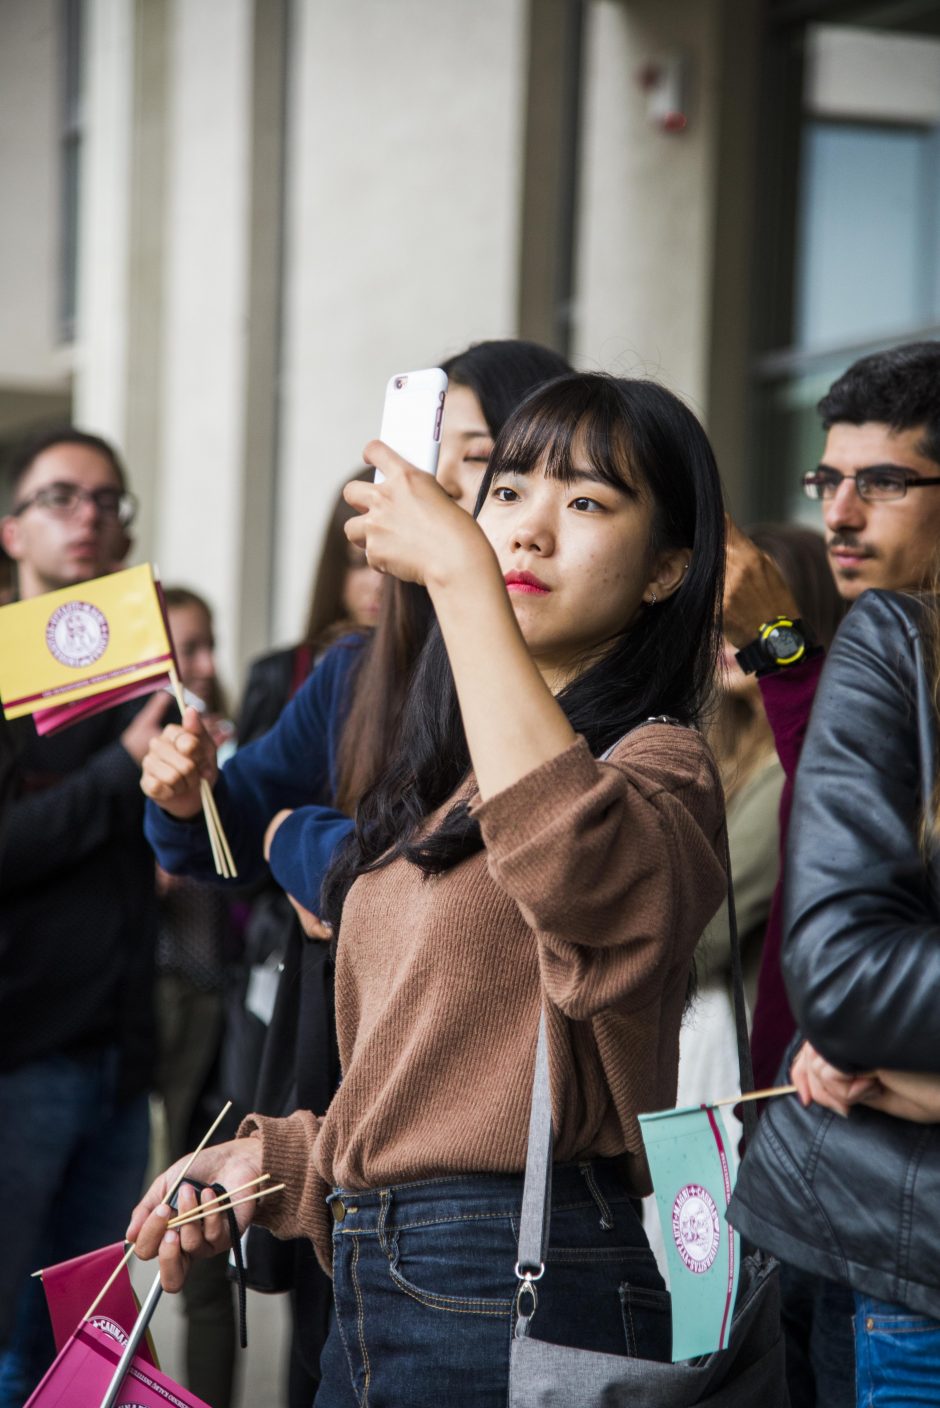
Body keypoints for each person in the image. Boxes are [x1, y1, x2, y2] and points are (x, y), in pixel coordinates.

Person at [131, 371, 729, 1407]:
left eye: (586, 502)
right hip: (377, 1274)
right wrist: (274, 1160)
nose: (530, 531)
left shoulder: (658, 764)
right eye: (507, 493)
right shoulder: (450, 781)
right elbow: (433, 1082)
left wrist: (458, 575)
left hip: (522, 1276)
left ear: (666, 570)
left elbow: (578, 872)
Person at [722, 339, 940, 1406]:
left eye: (883, 481)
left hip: (888, 1219)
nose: (840, 513)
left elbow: (844, 966)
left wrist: (775, 639)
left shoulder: (878, 644)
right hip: (842, 1165)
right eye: (827, 481)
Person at [0, 427, 169, 1407]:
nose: (90, 517)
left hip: (121, 1053)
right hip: (22, 1050)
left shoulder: (141, 671)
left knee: (81, 1350)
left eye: (108, 500)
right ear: (12, 530)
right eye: (62, 497)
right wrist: (118, 769)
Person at [156, 587, 239, 1408]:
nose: (205, 669)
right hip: (163, 1010)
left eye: (210, 646)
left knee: (206, 1228)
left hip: (232, 1007)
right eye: (187, 651)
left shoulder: (240, 747)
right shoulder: (139, 759)